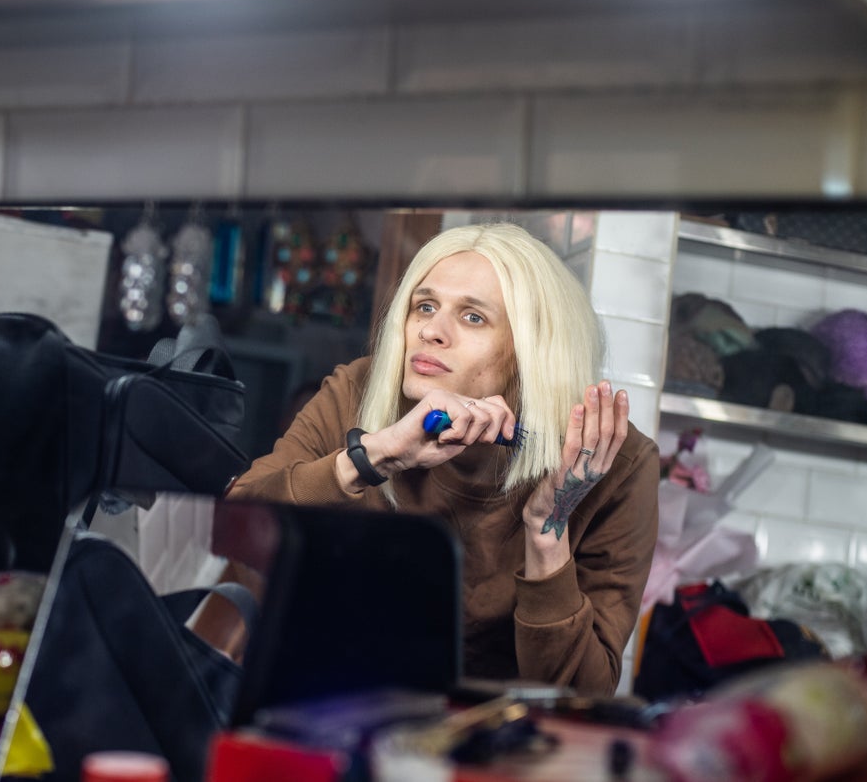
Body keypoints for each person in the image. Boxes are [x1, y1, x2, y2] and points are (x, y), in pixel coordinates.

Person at [228, 222, 658, 695]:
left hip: (494, 742)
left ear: (532, 351)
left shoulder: (613, 464)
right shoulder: (359, 390)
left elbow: (581, 694)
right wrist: (375, 456)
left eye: (473, 317)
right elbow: (236, 524)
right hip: (334, 699)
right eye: (425, 306)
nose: (431, 331)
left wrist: (547, 528)